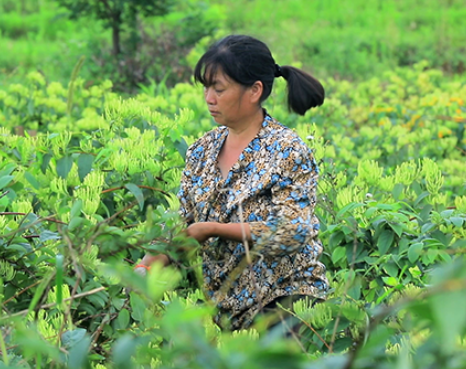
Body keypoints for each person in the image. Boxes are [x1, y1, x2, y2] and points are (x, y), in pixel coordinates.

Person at [136, 35, 329, 331]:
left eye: (219, 88)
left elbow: (295, 230)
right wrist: (143, 267)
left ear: (254, 91)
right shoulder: (202, 150)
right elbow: (181, 223)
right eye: (206, 88)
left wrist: (213, 229)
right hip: (227, 312)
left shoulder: (286, 149)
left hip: (287, 304)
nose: (209, 98)